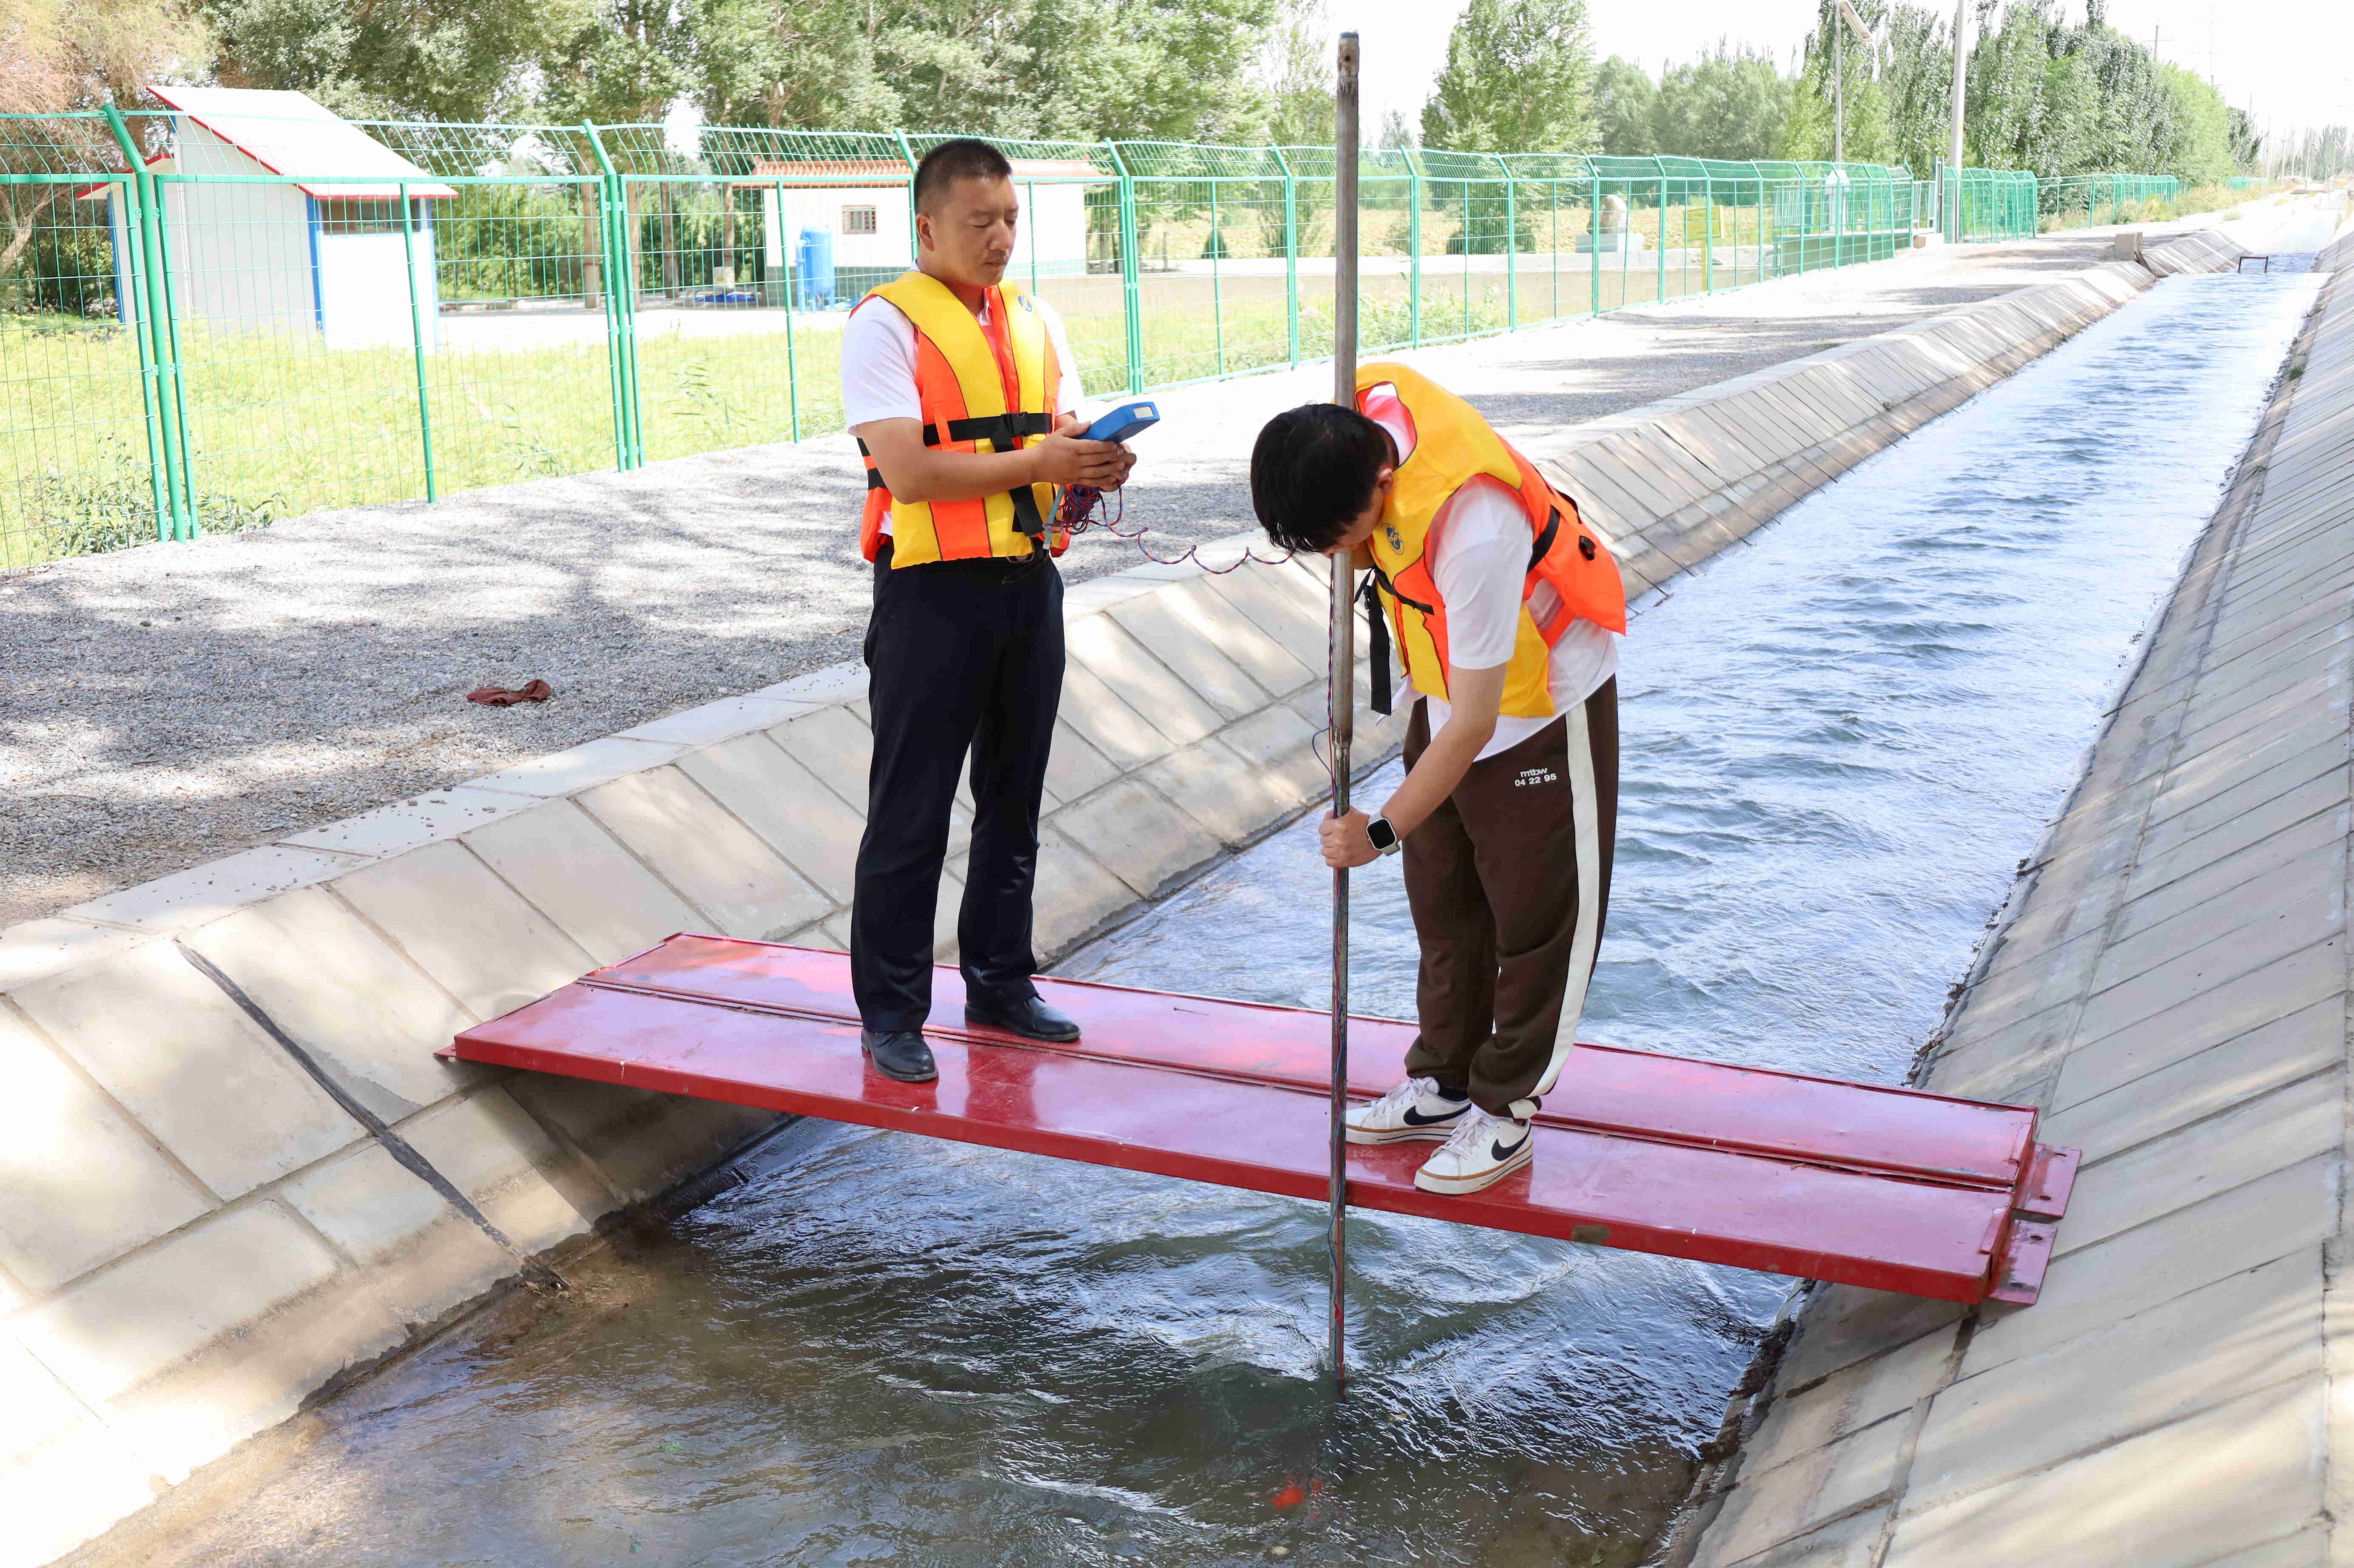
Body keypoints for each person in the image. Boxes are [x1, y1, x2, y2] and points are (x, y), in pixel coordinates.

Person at [1248, 363, 1625, 1194]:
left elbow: (1477, 724)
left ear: (1381, 481)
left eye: (1342, 536)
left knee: (1536, 921)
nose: (1342, 556)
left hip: (1539, 704)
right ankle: (1444, 1080)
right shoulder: (1353, 424)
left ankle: (1505, 1108)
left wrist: (1378, 830)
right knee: (1445, 898)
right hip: (1448, 682)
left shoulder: (1474, 527)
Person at [842, 138, 1134, 1084]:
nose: (1000, 237)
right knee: (910, 815)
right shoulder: (883, 326)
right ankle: (890, 1013)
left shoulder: (1037, 318)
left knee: (1013, 803)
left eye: (1009, 218)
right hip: (930, 599)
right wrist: (1040, 464)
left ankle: (1001, 983)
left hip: (1026, 589)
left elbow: (1062, 436)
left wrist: (1093, 462)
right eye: (979, 223)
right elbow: (912, 472)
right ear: (927, 228)